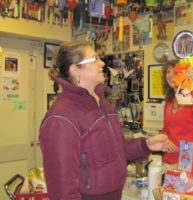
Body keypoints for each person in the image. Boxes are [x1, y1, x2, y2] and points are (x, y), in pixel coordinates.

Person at [39, 40, 168, 200]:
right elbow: (62, 188)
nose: (102, 63)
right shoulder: (61, 118)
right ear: (76, 70)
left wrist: (145, 144)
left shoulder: (102, 104)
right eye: (94, 59)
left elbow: (116, 150)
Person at [161, 60, 193, 165]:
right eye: (168, 72)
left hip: (189, 162)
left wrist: (184, 156)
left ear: (185, 75)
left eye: (175, 72)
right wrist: (165, 141)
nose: (171, 75)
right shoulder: (169, 102)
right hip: (168, 160)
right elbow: (165, 130)